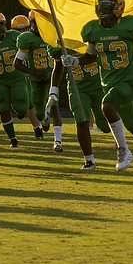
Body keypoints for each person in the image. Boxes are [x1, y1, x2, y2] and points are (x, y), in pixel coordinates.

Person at [61, 0, 133, 182]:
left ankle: (123, 150)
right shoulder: (93, 29)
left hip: (129, 81)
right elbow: (90, 55)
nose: (102, 10)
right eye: (100, 6)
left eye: (107, 6)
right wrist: (75, 61)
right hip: (110, 84)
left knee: (107, 106)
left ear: (118, 9)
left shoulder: (129, 25)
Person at [47, 42, 110, 170]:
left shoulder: (89, 37)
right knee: (81, 121)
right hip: (78, 87)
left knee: (105, 126)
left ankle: (121, 146)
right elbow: (57, 68)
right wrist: (53, 90)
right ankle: (89, 160)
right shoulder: (60, 44)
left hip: (99, 85)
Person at [14, 11, 63, 151]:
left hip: (50, 77)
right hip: (35, 79)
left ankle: (58, 141)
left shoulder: (53, 37)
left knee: (54, 106)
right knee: (40, 113)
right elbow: (17, 63)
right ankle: (45, 117)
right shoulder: (27, 38)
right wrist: (33, 72)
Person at [0, 11, 28, 148]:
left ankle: (20, 111)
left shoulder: (14, 36)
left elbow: (26, 50)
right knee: (3, 107)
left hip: (17, 78)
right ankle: (13, 138)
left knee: (21, 106)